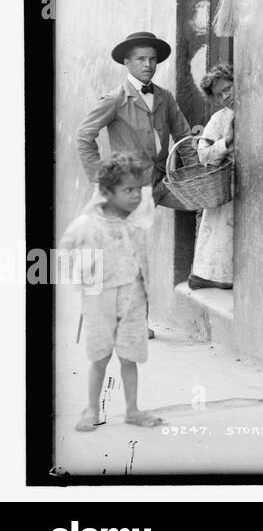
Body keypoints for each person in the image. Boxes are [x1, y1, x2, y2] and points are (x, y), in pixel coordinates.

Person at [61, 154, 164, 431]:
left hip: (132, 295)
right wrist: (80, 275)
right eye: (127, 190)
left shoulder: (136, 219)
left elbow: (145, 209)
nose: (135, 196)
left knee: (129, 355)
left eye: (137, 189)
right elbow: (65, 249)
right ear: (106, 192)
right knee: (100, 355)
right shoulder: (87, 224)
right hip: (99, 298)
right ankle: (91, 409)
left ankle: (133, 410)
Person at [75, 30, 192, 207]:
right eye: (141, 59)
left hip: (162, 183)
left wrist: (195, 171)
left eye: (152, 59)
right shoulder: (115, 99)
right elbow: (84, 135)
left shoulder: (165, 97)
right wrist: (99, 176)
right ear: (127, 63)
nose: (148, 64)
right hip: (129, 188)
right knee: (126, 232)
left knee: (206, 204)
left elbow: (184, 136)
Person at [189, 63, 236, 290]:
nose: (226, 96)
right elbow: (203, 156)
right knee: (221, 239)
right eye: (220, 94)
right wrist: (225, 142)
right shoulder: (219, 119)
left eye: (228, 88)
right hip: (227, 188)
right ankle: (215, 277)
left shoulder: (258, 107)